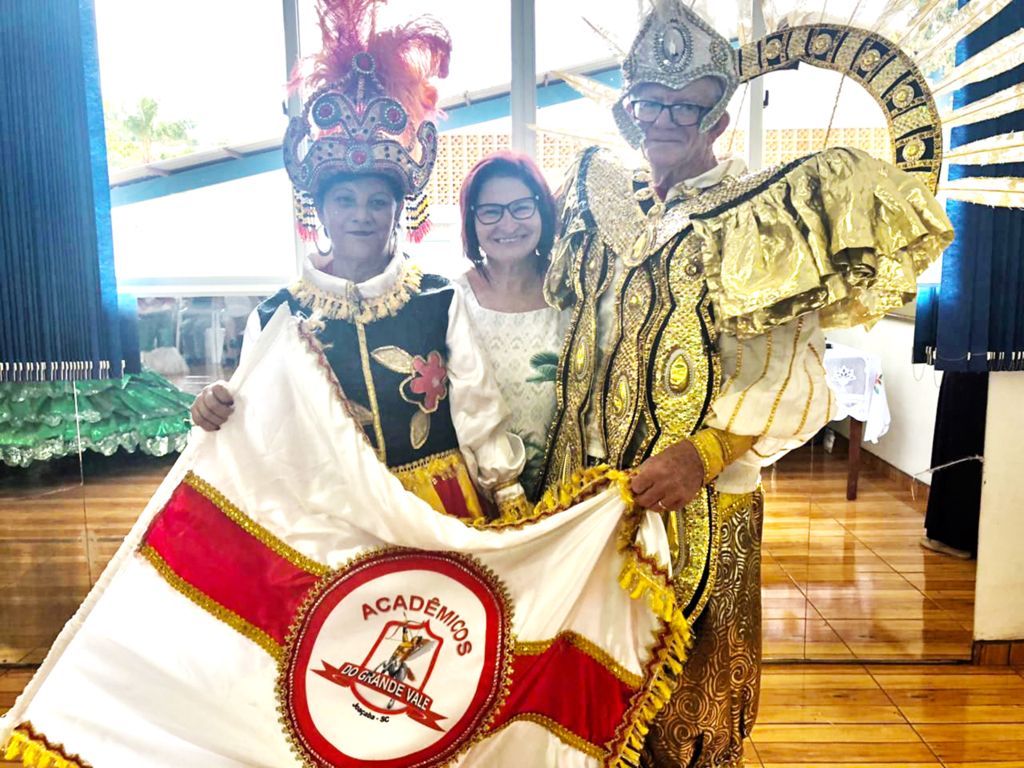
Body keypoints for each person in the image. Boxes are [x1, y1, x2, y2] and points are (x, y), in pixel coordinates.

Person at [538, 2, 954, 765]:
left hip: (702, 501)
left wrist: (702, 452)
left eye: (686, 106)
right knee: (586, 680)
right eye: (651, 103)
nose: (665, 119)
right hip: (593, 494)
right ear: (630, 111)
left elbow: (793, 380)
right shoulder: (603, 203)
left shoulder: (761, 218)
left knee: (688, 700)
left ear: (719, 120)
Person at [191, 4, 526, 522]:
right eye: (345, 201)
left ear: (399, 210)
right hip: (333, 517)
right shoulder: (278, 315)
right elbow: (256, 422)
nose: (361, 216)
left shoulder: (438, 298)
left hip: (437, 514)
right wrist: (213, 407)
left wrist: (509, 498)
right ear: (319, 209)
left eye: (377, 201)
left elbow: (477, 409)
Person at [455, 151, 562, 500]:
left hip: (565, 492)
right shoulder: (451, 300)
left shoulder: (572, 294)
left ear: (541, 210)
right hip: (477, 497)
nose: (508, 224)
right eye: (490, 211)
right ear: (472, 221)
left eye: (521, 207)